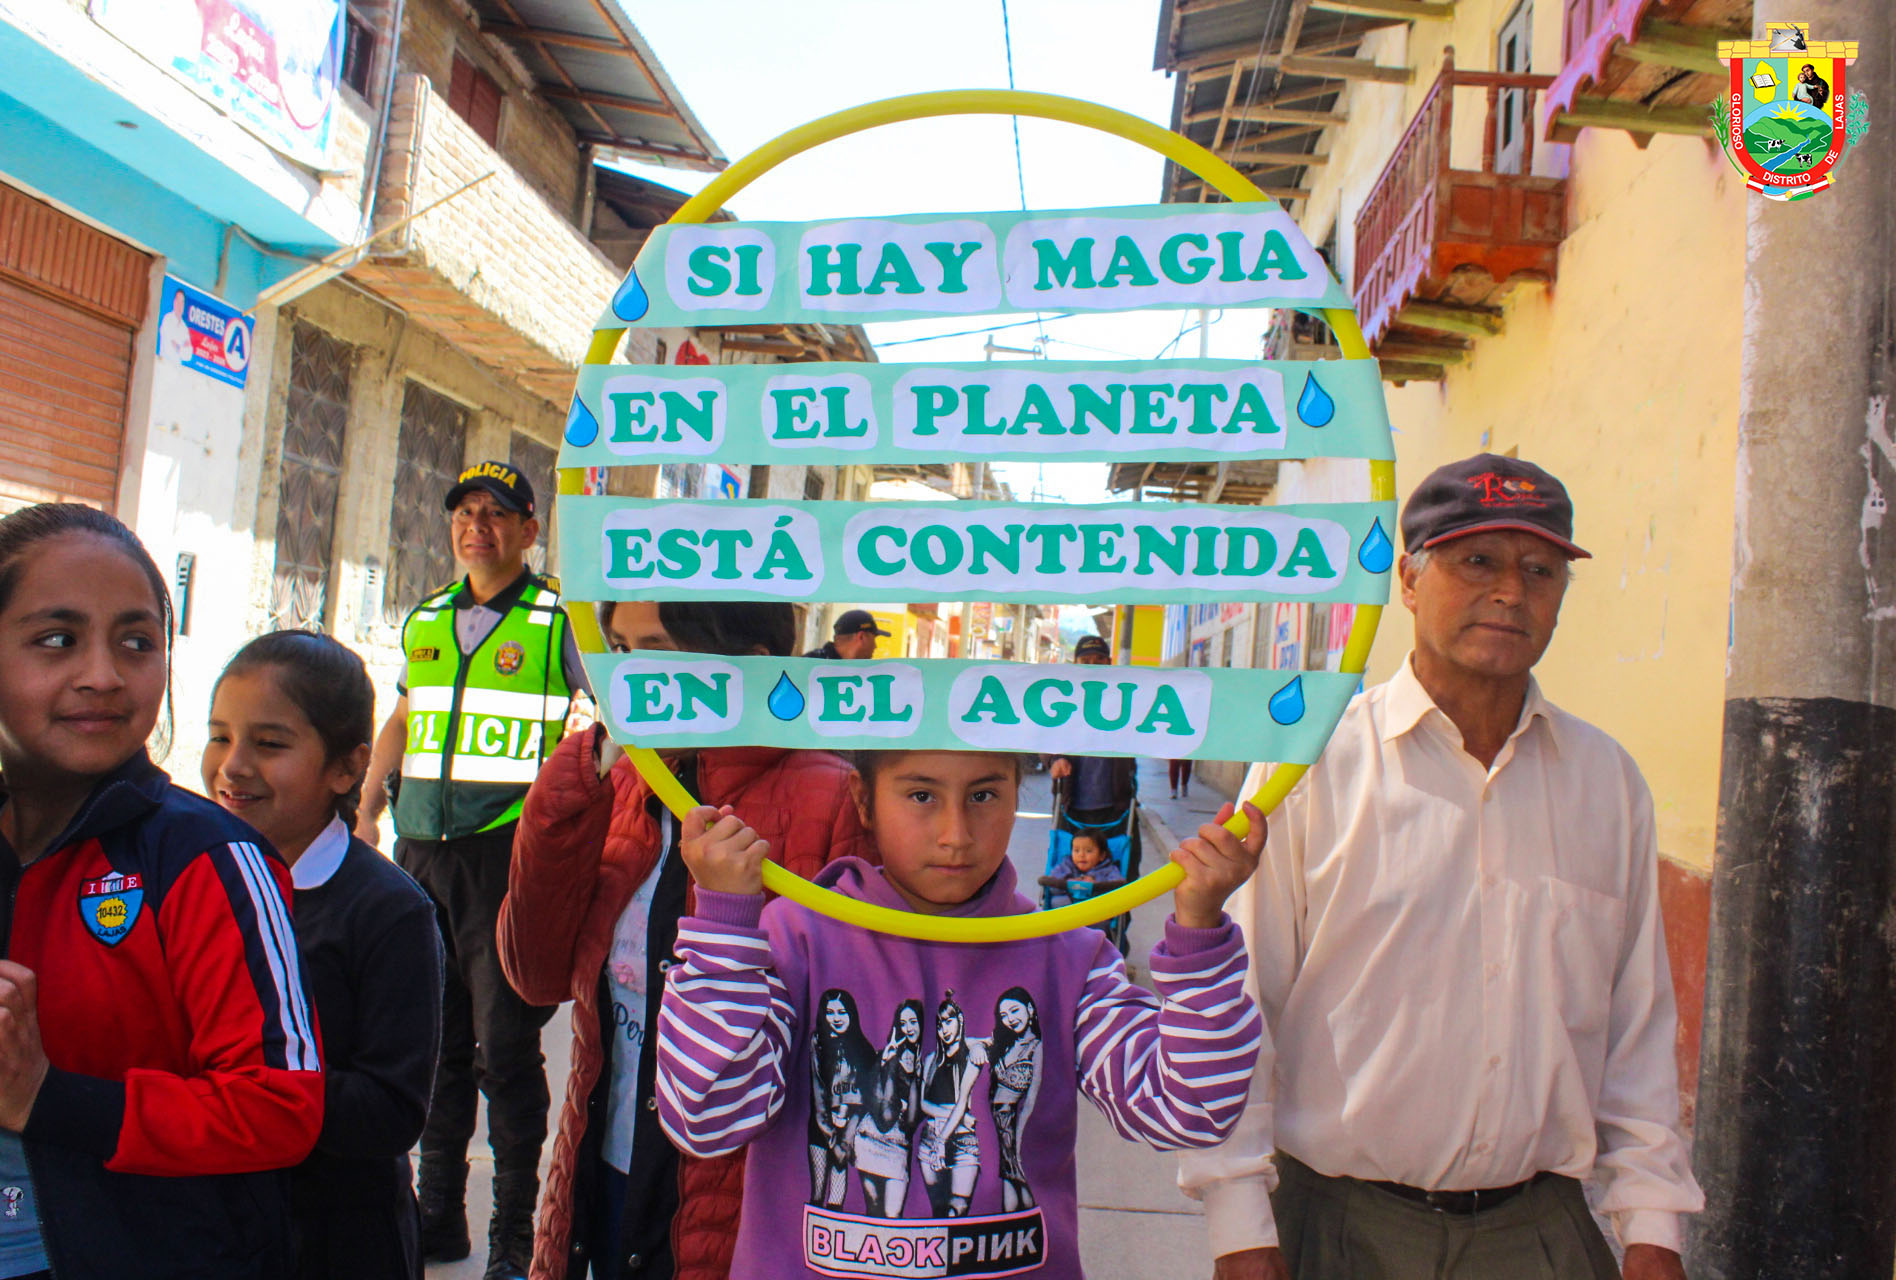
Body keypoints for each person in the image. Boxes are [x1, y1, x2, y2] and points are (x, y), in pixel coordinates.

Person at [1181, 455, 1703, 1280]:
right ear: (1409, 581)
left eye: (1540, 570)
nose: (1510, 591)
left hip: (1541, 1236)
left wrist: (1653, 1227)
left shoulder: (1608, 782)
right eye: (1477, 562)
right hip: (1339, 1229)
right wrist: (1241, 1228)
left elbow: (1636, 1029)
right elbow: (1240, 1011)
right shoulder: (1309, 770)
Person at [655, 747, 1269, 1278]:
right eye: (921, 795)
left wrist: (1201, 932)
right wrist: (722, 925)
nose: (955, 833)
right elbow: (704, 1119)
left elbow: (1187, 1109)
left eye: (983, 795)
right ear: (863, 801)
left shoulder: (1071, 955)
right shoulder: (797, 936)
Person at [498, 600, 875, 1280]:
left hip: (742, 1213)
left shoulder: (832, 799)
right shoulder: (611, 783)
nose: (632, 676)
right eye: (619, 649)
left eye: (658, 650)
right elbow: (534, 973)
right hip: (605, 1177)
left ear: (751, 670)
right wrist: (571, 788)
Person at [0, 502, 323, 1278]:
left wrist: (46, 1096)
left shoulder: (205, 856)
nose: (104, 676)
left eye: (137, 643)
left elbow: (280, 1107)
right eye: (56, 640)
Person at [356, 460, 588, 1279]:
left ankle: (515, 1238)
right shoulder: (428, 616)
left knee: (505, 1053)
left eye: (497, 513)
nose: (477, 525)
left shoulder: (560, 619)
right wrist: (367, 803)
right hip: (419, 850)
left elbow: (608, 720)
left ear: (529, 530)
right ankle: (437, 1219)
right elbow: (410, 711)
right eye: (465, 511)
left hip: (502, 856)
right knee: (435, 1044)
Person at [202, 631, 444, 1280]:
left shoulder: (389, 910)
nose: (232, 766)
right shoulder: (192, 879)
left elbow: (391, 1110)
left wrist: (234, 1089)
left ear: (347, 767)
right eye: (220, 735)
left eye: (270, 743)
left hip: (339, 1241)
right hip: (215, 1226)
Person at [1049, 634, 1142, 882]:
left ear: (1109, 662)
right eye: (1086, 659)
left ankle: (1116, 922)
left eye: (1099, 659)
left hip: (1117, 809)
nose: (1093, 664)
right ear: (1076, 663)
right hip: (1072, 809)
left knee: (1122, 877)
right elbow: (1045, 735)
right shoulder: (1063, 698)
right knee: (1066, 878)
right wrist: (1054, 760)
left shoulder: (1126, 698)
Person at [853, 999, 924, 1219]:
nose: (908, 1028)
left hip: (897, 1144)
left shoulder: (927, 1059)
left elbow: (912, 1121)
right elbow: (878, 1109)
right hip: (870, 1138)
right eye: (902, 1023)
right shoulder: (886, 1055)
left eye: (913, 1022)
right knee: (873, 1210)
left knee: (893, 1215)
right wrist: (888, 1063)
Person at [985, 988, 1042, 1213]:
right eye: (1004, 1016)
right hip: (992, 1121)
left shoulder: (1037, 1047)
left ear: (1030, 1008)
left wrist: (1020, 1138)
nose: (1010, 1019)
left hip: (1011, 1121)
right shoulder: (1006, 1043)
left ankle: (1031, 1229)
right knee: (1007, 1179)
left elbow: (1032, 1098)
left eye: (1014, 1011)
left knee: (1018, 1179)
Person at [1037, 831, 1126, 907]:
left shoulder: (1109, 870)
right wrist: (1068, 882)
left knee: (1107, 905)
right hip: (1067, 912)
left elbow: (1117, 889)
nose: (1081, 855)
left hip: (1095, 911)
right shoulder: (1066, 866)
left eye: (1088, 851)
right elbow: (1053, 887)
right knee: (1058, 901)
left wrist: (1096, 884)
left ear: (1102, 855)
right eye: (1076, 851)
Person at [803, 609, 890, 660]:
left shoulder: (811, 663)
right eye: (874, 639)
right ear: (861, 637)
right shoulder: (809, 666)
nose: (875, 646)